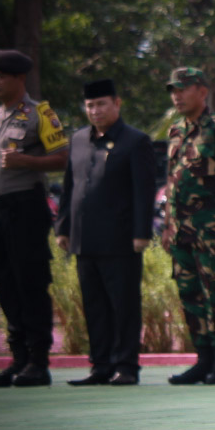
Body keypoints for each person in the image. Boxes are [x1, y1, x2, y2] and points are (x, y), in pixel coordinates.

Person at [55, 78, 156, 386]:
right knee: (95, 305)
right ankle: (100, 365)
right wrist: (64, 227)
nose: (95, 111)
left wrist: (142, 232)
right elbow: (70, 186)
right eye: (90, 106)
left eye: (101, 104)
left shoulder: (135, 141)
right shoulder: (79, 139)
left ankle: (126, 366)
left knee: (123, 305)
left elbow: (144, 191)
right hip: (85, 239)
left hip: (121, 238)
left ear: (117, 103)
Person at [161, 66, 215, 386]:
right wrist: (168, 224)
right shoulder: (175, 130)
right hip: (182, 229)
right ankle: (203, 359)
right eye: (173, 90)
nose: (177, 95)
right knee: (190, 293)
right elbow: (171, 180)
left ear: (202, 91)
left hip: (211, 226)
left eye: (183, 89)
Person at [0, 50, 67, 387]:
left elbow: (63, 159)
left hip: (26, 207)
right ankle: (18, 358)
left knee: (30, 282)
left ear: (19, 79)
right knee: (5, 284)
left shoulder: (40, 113)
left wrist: (27, 162)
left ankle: (38, 360)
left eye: (1, 76)